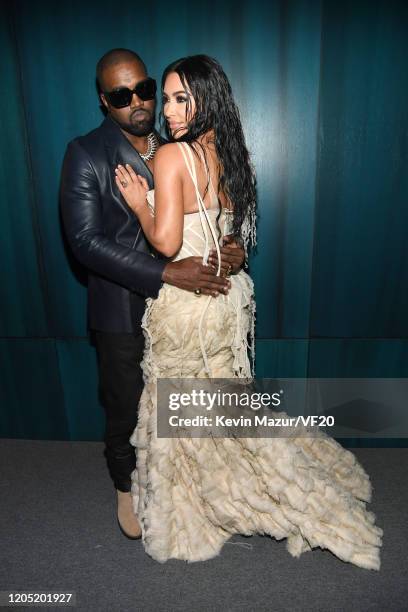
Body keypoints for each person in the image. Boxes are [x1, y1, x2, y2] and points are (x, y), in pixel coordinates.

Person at [115, 54, 383, 570]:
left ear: (205, 100)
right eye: (166, 98)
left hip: (190, 308)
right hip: (229, 301)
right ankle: (257, 484)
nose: (169, 110)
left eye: (181, 98)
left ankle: (201, 501)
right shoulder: (231, 154)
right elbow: (237, 238)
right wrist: (226, 246)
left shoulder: (171, 158)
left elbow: (168, 245)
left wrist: (139, 204)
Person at [60, 49, 245, 540]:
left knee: (182, 406)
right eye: (122, 95)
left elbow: (207, 215)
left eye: (145, 89)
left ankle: (181, 484)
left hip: (186, 312)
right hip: (124, 305)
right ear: (105, 101)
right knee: (126, 406)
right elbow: (84, 243)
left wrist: (230, 246)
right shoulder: (85, 153)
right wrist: (165, 273)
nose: (139, 102)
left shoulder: (175, 143)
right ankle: (125, 484)